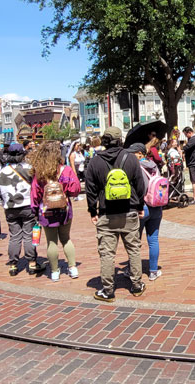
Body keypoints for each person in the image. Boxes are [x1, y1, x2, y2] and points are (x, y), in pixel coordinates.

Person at [85, 126, 146, 302]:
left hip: (106, 213)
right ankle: (136, 285)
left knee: (107, 253)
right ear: (121, 140)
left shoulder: (95, 161)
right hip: (129, 211)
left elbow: (90, 190)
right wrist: (140, 205)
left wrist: (92, 210)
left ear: (104, 140)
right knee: (134, 249)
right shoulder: (131, 159)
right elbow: (140, 186)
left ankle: (108, 289)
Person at [31, 141, 81, 280]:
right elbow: (75, 190)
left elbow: (35, 194)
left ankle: (54, 271)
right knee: (66, 239)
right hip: (64, 210)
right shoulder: (65, 170)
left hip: (46, 212)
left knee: (51, 242)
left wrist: (35, 210)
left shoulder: (39, 173)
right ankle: (72, 267)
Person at [0, 143, 39, 277]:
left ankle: (13, 264)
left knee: (14, 236)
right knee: (28, 235)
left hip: (10, 207)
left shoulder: (3, 171)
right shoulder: (29, 169)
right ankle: (32, 263)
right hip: (27, 205)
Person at [130, 144, 164, 281]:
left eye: (133, 153)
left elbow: (139, 188)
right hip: (156, 205)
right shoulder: (154, 165)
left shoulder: (136, 167)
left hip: (142, 207)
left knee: (134, 241)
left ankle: (133, 271)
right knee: (153, 239)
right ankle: (153, 271)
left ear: (140, 153)